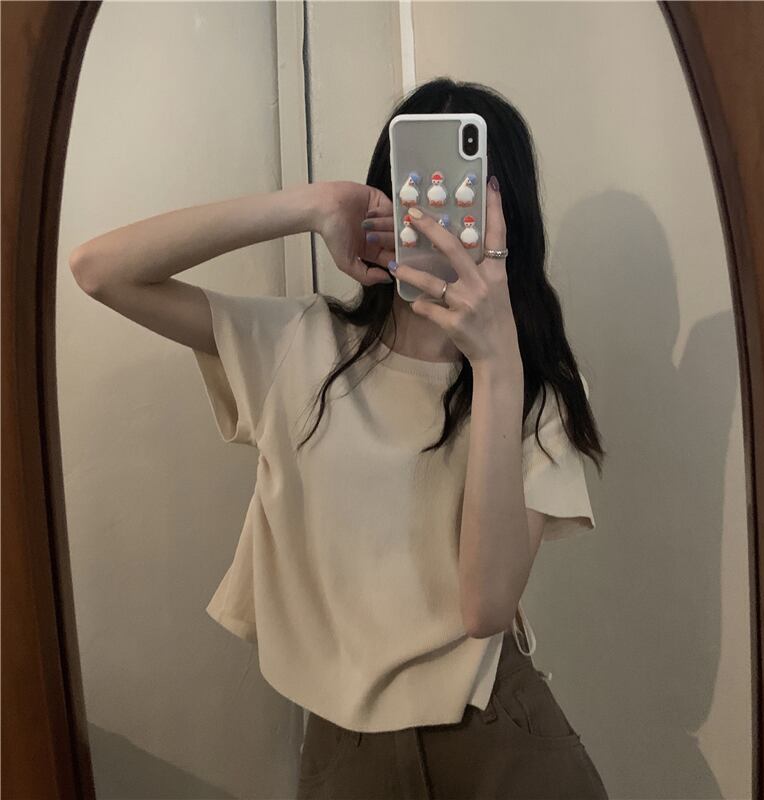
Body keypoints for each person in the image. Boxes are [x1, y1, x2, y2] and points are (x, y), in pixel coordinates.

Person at [70, 77, 608, 799]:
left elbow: (485, 607)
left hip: (497, 731)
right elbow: (99, 271)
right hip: (343, 747)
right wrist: (312, 204)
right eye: (423, 186)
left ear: (511, 217)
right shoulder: (299, 344)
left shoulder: (532, 388)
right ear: (387, 197)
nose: (445, 215)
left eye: (473, 192)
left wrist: (496, 363)